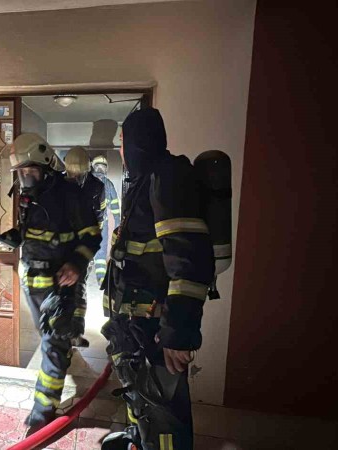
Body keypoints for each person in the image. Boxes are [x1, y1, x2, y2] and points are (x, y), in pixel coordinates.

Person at [100, 108, 214, 450]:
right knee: (140, 395)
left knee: (163, 410)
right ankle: (138, 440)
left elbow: (188, 259)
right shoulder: (145, 180)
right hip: (135, 323)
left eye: (122, 141)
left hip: (156, 326)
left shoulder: (168, 177)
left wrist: (177, 333)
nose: (121, 149)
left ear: (136, 142)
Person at [0, 133, 102, 430]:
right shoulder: (29, 196)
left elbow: (92, 236)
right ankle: (64, 346)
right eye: (21, 173)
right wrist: (14, 237)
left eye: (31, 171)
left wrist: (76, 264)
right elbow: (29, 232)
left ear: (47, 165)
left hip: (59, 284)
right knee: (51, 337)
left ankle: (43, 411)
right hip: (33, 283)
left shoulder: (70, 195)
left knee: (52, 343)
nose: (26, 178)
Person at [64, 146, 106, 348]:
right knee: (63, 289)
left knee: (79, 286)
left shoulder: (97, 187)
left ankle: (76, 332)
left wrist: (90, 242)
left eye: (79, 175)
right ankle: (63, 331)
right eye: (72, 175)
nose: (76, 179)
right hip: (64, 243)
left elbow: (100, 216)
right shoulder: (59, 185)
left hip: (84, 243)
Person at [90, 155, 121, 285]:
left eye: (101, 167)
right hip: (99, 223)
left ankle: (100, 279)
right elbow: (115, 207)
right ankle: (100, 280)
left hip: (92, 223)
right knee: (98, 251)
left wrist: (118, 223)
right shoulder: (107, 184)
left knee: (99, 250)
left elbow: (115, 206)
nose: (100, 170)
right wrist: (118, 223)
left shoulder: (88, 182)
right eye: (99, 167)